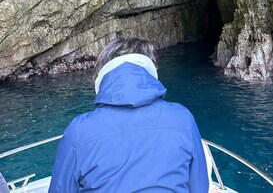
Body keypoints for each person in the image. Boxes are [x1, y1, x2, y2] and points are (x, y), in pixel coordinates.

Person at [48, 38, 209, 193]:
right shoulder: (182, 118)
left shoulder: (79, 131)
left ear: (101, 77)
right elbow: (199, 187)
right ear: (151, 71)